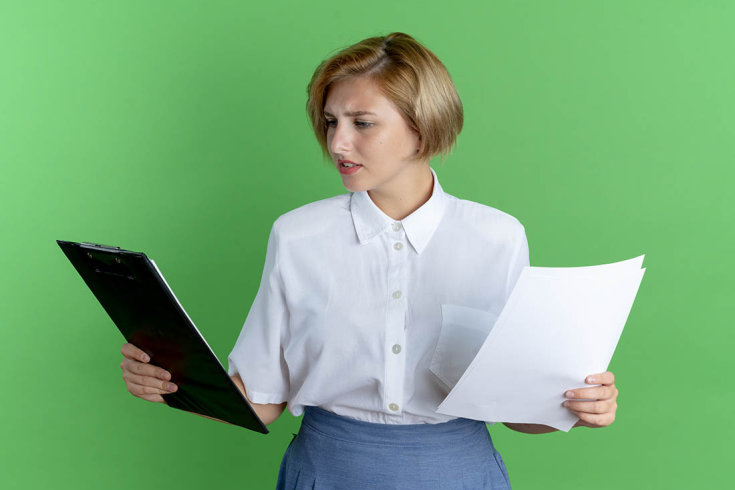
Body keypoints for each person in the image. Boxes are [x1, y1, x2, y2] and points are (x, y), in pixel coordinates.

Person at [120, 32, 619, 489]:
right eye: (331, 122)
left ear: (422, 128)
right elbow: (263, 400)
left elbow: (517, 411)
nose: (338, 143)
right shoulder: (297, 235)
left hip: (459, 474)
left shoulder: (498, 238)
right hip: (326, 472)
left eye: (362, 123)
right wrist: (174, 384)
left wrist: (577, 407)